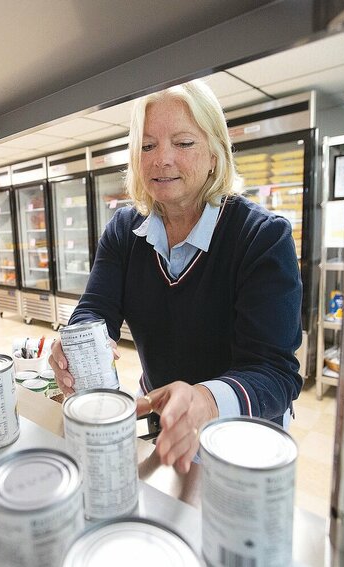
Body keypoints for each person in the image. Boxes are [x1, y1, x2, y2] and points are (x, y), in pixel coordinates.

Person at [49, 80, 303, 473]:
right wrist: (78, 345)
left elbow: (275, 373)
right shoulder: (124, 231)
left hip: (240, 431)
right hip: (159, 414)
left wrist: (205, 399)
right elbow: (96, 308)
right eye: (147, 146)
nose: (161, 159)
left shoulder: (262, 237)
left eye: (183, 143)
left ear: (215, 153)